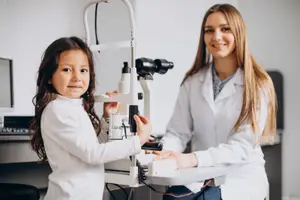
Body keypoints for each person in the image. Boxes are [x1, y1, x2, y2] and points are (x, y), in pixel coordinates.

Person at [152, 3, 277, 200]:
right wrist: (164, 155)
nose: (216, 37)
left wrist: (191, 159)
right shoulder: (193, 81)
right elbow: (178, 132)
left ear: (238, 33)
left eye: (225, 29)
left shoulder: (257, 84)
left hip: (241, 180)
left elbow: (240, 147)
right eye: (209, 30)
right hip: (200, 177)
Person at [30, 36, 152, 200]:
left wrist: (107, 118)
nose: (77, 78)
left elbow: (91, 147)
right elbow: (93, 154)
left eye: (83, 70)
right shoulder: (58, 110)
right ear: (50, 76)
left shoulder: (72, 107)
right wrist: (138, 141)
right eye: (67, 70)